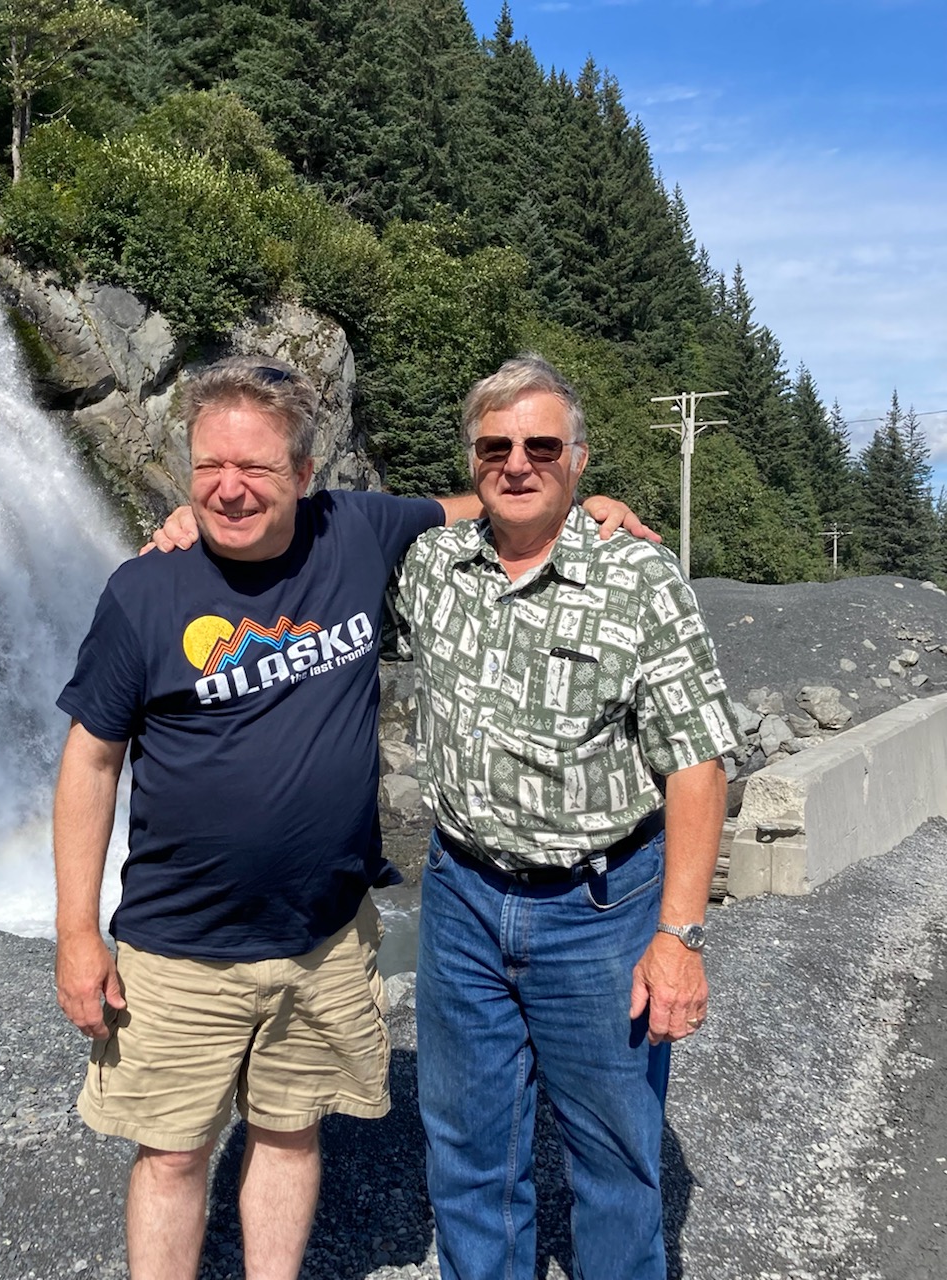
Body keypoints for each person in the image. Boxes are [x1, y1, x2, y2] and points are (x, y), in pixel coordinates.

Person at [52, 355, 648, 1279]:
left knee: (289, 1133)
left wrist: (583, 502)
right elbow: (90, 762)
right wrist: (75, 934)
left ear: (303, 475)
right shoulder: (145, 590)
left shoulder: (358, 529)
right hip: (177, 945)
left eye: (255, 468)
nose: (229, 488)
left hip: (326, 936)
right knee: (171, 1154)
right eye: (210, 466)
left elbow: (486, 503)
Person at [388, 352, 739, 1280]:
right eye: (495, 446)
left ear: (580, 460)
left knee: (617, 1162)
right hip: (460, 897)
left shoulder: (640, 580)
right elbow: (308, 559)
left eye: (542, 445)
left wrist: (682, 937)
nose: (517, 462)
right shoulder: (431, 566)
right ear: (471, 459)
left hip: (602, 911)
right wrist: (191, 523)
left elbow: (698, 766)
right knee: (467, 1157)